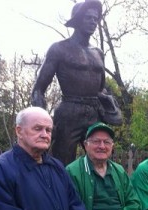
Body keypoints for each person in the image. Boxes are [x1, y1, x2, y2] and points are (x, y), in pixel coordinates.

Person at [31, 0, 122, 166]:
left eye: (95, 18)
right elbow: (38, 89)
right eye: (88, 17)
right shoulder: (59, 49)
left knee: (100, 160)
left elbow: (100, 88)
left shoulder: (98, 53)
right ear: (77, 20)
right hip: (69, 112)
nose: (93, 21)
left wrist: (109, 103)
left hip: (94, 112)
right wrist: (40, 120)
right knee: (62, 163)